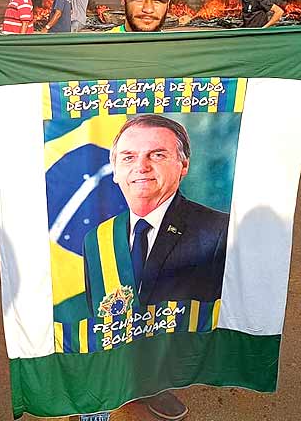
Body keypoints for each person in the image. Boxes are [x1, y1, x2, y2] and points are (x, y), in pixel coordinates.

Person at [0, 0, 301, 420]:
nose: (148, 7)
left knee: (164, 316)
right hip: (114, 218)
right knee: (108, 307)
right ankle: (100, 387)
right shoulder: (92, 55)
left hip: (171, 266)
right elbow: (33, 69)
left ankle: (155, 382)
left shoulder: (191, 55)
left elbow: (259, 65)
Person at [83, 115, 228, 313]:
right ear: (115, 170)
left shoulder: (220, 231)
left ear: (183, 166)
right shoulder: (96, 241)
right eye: (128, 157)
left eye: (157, 155)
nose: (141, 167)